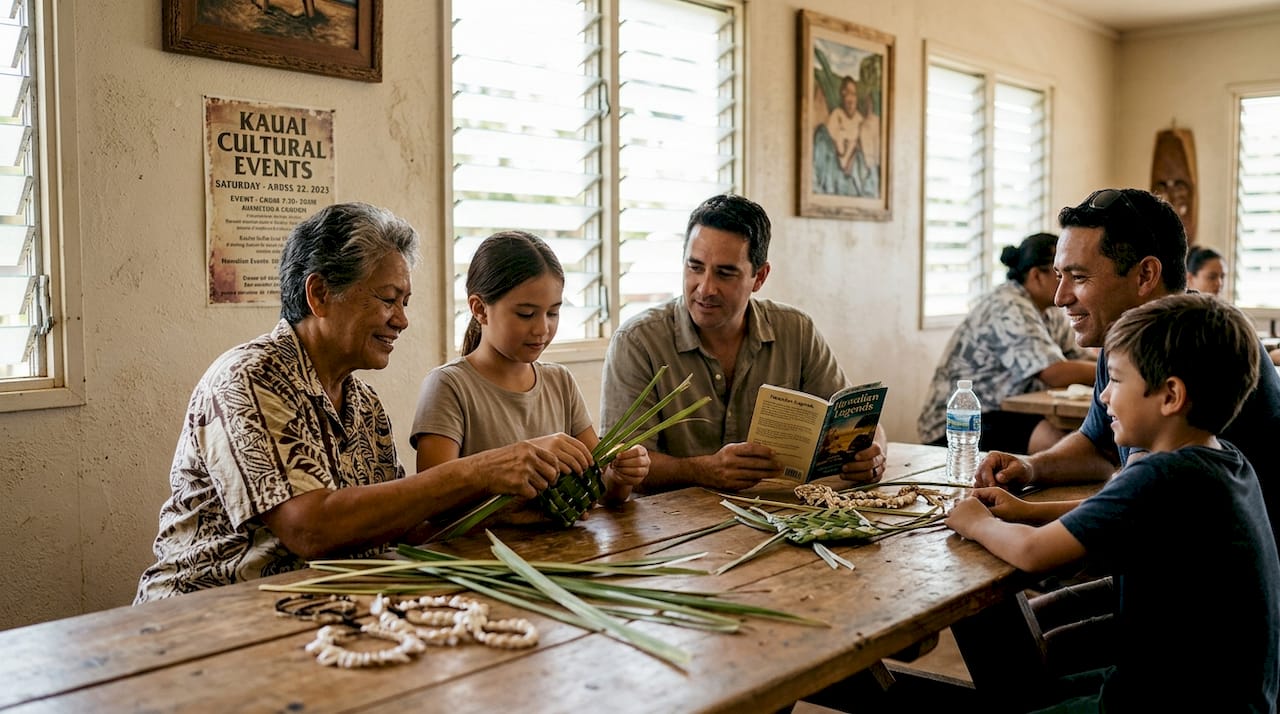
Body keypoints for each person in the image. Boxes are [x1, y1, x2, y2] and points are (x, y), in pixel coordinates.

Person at [135, 203, 564, 601]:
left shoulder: (364, 404)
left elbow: (407, 529)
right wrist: (481, 469)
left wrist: (521, 505)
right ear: (320, 294)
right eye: (387, 299)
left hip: (318, 607)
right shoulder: (249, 377)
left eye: (405, 302)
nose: (402, 319)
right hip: (207, 616)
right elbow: (310, 528)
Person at [947, 293, 1280, 712]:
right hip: (1230, 695)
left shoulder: (1161, 475)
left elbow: (1034, 554)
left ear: (1171, 396)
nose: (1104, 397)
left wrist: (975, 521)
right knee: (1028, 687)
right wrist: (1026, 511)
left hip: (1172, 701)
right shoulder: (1224, 462)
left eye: (1117, 382)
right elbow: (1116, 513)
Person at [975, 188, 1280, 545]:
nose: (1060, 298)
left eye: (1078, 277)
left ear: (1145, 274)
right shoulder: (1123, 338)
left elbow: (1148, 501)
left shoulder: (1209, 349)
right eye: (1058, 276)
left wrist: (1021, 516)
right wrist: (1031, 467)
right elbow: (1098, 444)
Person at [599, 193, 888, 493]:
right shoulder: (637, 341)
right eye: (695, 267)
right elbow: (617, 464)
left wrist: (874, 454)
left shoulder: (796, 330)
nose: (705, 288)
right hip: (667, 528)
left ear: (759, 277)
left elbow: (862, 426)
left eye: (725, 273)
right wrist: (701, 470)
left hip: (778, 516)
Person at [410, 230, 648, 517]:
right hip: (484, 556)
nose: (542, 329)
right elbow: (431, 507)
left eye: (553, 313)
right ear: (479, 309)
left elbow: (600, 490)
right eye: (525, 314)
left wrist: (620, 476)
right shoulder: (449, 386)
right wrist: (526, 509)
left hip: (561, 555)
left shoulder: (560, 382)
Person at [917, 232, 1095, 454]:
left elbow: (1075, 359)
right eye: (1059, 275)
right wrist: (1116, 371)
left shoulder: (1048, 311)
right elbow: (1054, 372)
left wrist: (1114, 364)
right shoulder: (1008, 307)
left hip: (1006, 414)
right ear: (1036, 275)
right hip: (960, 424)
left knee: (1087, 436)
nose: (1067, 287)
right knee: (1064, 447)